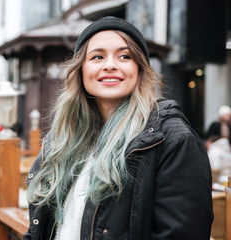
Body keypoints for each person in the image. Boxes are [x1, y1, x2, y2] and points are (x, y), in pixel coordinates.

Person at [24, 16, 213, 240]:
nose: (110, 65)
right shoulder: (61, 141)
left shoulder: (172, 140)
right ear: (81, 70)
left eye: (125, 56)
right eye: (97, 56)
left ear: (140, 69)